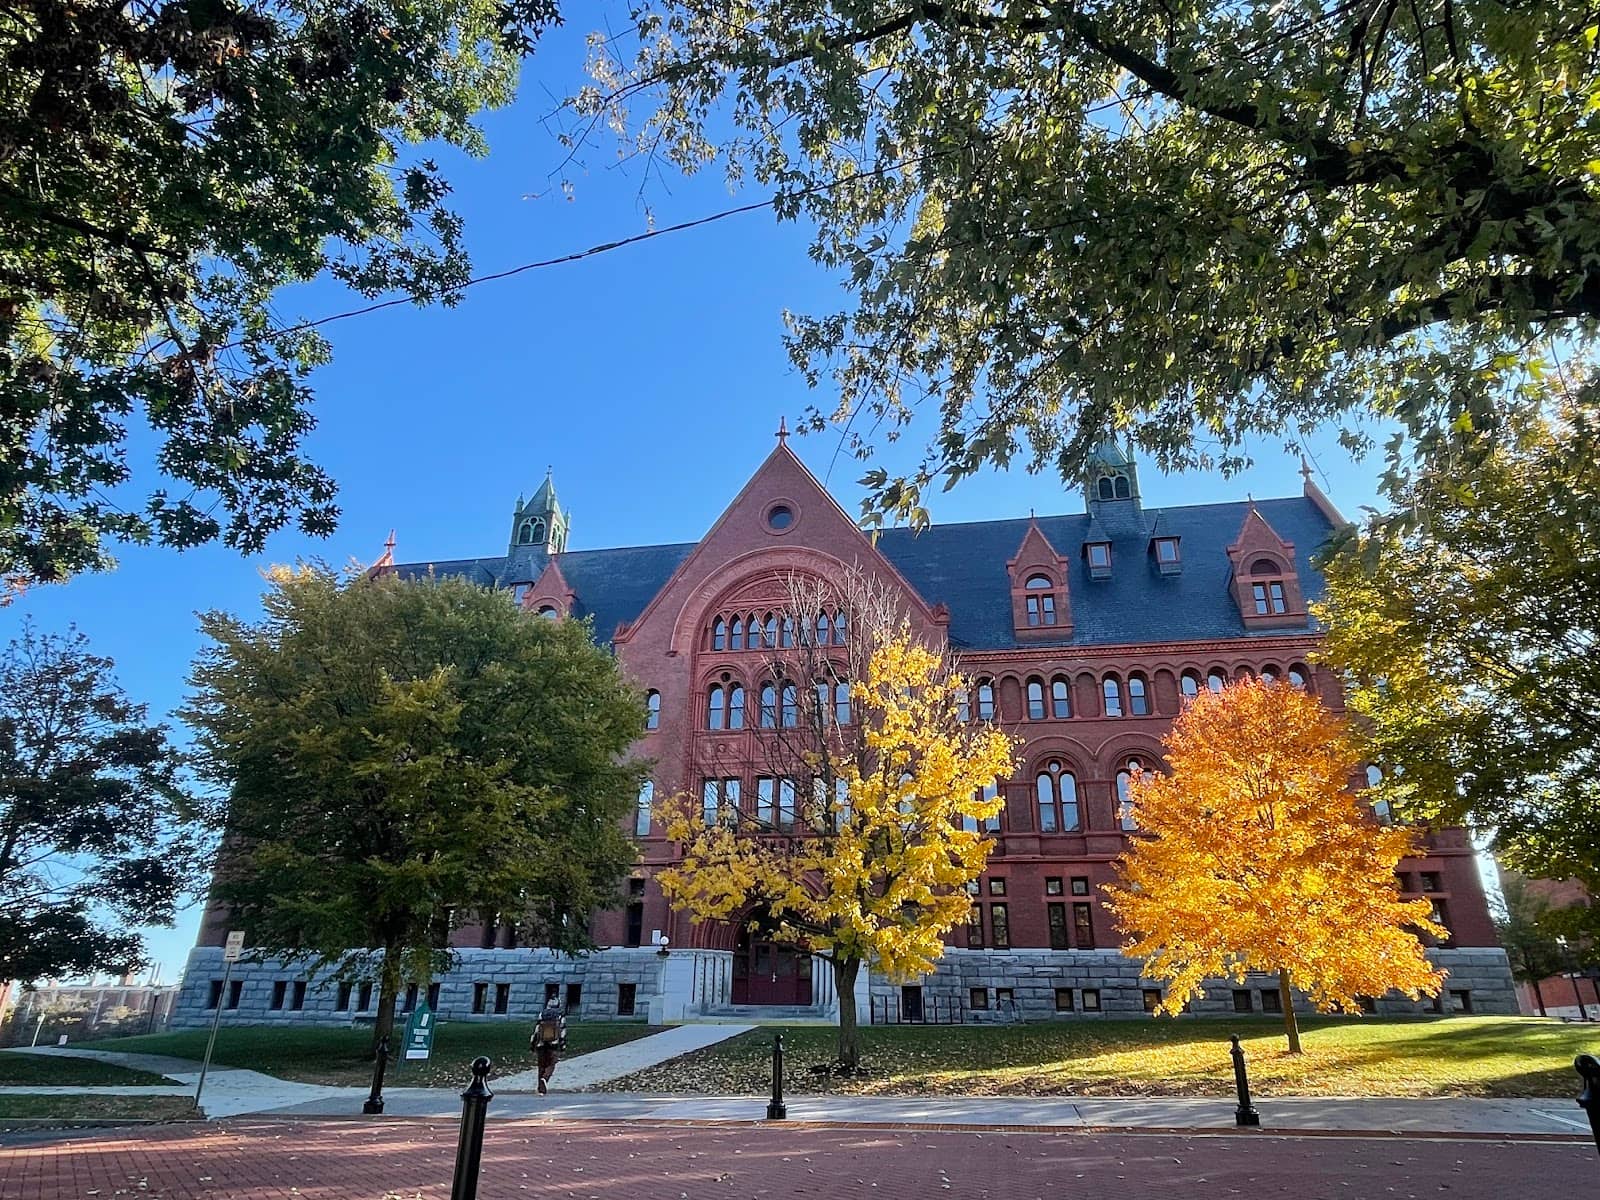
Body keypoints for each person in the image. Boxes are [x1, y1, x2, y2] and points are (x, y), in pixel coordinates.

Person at [530, 998, 567, 1095]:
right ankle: (545, 1078)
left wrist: (533, 1045)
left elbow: (536, 1030)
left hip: (541, 1044)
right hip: (553, 1044)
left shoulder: (542, 1014)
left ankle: (541, 1089)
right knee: (551, 1064)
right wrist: (562, 1045)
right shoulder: (560, 1015)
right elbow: (562, 1031)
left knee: (541, 1066)